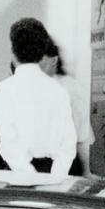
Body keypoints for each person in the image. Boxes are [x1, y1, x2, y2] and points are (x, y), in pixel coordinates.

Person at [0, 18, 77, 175]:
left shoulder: (3, 90)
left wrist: (30, 176)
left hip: (18, 176)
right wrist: (55, 176)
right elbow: (68, 143)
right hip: (54, 175)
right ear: (42, 51)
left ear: (13, 52)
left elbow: (9, 144)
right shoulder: (59, 90)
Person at [39, 45, 93, 175]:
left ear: (53, 60)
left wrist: (86, 170)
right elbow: (81, 134)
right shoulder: (68, 85)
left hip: (59, 162)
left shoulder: (68, 87)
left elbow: (80, 133)